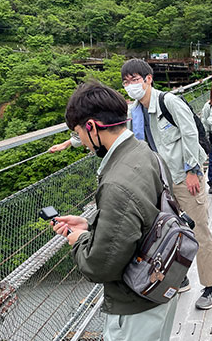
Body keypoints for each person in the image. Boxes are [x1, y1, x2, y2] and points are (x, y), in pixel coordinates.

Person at [51, 82, 177, 341]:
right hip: (160, 284)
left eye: (78, 134)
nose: (82, 142)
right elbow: (142, 216)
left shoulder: (116, 182)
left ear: (91, 127)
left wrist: (79, 240)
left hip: (135, 305)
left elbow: (101, 266)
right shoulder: (145, 152)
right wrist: (91, 223)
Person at [121, 59, 212, 311]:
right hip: (159, 182)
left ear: (148, 79)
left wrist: (192, 170)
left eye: (135, 80)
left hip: (184, 177)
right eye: (126, 81)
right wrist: (74, 140)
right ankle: (180, 279)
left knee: (198, 231)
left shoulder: (169, 102)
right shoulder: (135, 111)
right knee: (166, 233)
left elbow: (189, 134)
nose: (131, 85)